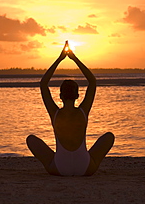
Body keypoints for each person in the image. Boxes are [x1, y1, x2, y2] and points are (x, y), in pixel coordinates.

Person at [26, 41, 115, 176]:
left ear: (60, 96)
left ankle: (56, 165)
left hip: (60, 167)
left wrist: (60, 59)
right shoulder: (83, 111)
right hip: (85, 167)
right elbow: (92, 81)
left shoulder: (55, 113)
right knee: (109, 137)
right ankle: (91, 163)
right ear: (77, 96)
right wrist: (74, 58)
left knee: (31, 139)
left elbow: (43, 84)